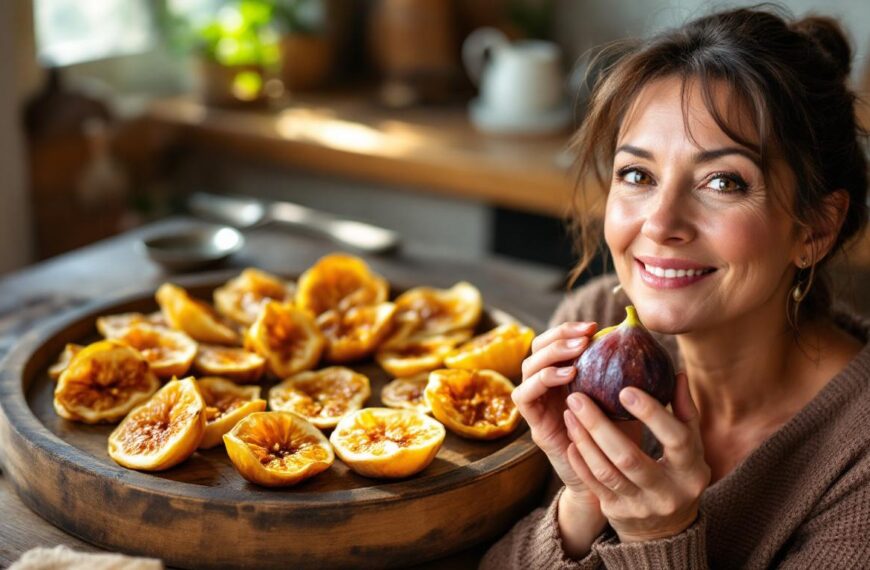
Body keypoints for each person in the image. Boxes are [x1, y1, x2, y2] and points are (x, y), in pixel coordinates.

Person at [482, 6, 869, 568]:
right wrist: (582, 505)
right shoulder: (590, 330)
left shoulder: (856, 459)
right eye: (638, 175)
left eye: (722, 182)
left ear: (815, 229)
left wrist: (657, 538)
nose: (661, 224)